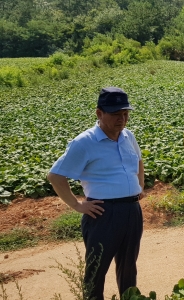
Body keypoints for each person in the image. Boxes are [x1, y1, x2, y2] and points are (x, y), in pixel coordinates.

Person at [47, 87, 145, 300]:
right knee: (97, 269)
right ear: (99, 113)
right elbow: (55, 176)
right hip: (103, 213)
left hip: (132, 210)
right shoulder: (85, 142)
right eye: (116, 114)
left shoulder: (128, 136)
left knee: (129, 266)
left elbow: (138, 161)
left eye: (125, 113)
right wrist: (78, 205)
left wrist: (140, 186)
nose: (122, 119)